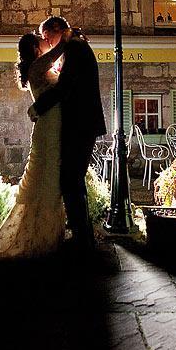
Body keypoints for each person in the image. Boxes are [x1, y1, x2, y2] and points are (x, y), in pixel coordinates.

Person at [0, 30, 70, 259]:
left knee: (49, 179)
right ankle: (39, 237)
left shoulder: (40, 67)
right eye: (42, 40)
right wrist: (69, 37)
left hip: (53, 125)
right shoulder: (37, 67)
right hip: (48, 129)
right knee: (45, 178)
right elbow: (61, 49)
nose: (47, 41)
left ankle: (46, 234)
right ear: (34, 48)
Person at [28, 16, 106, 257]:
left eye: (47, 35)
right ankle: (82, 237)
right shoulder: (75, 45)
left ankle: (83, 240)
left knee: (71, 180)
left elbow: (65, 87)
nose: (46, 41)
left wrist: (38, 107)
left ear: (57, 29)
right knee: (73, 179)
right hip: (82, 123)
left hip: (81, 124)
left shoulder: (75, 47)